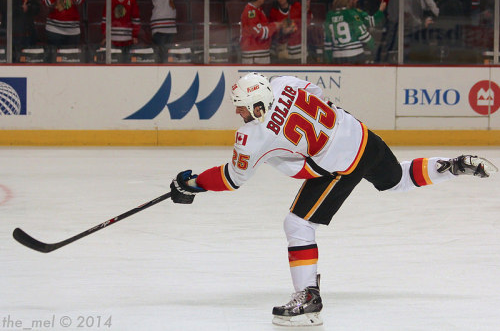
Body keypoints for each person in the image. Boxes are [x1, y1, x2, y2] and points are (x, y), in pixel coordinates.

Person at [169, 72, 497, 326]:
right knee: (397, 179)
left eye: (241, 105)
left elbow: (233, 177)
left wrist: (193, 183)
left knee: (297, 224)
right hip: (359, 134)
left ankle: (308, 298)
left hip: (340, 164)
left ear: (258, 105)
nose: (238, 111)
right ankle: (453, 166)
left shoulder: (252, 136)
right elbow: (316, 93)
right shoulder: (282, 83)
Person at [324, 0, 386, 64]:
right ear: (349, 0)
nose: (357, 0)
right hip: (355, 55)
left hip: (337, 56)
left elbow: (328, 42)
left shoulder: (329, 15)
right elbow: (363, 35)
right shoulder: (352, 13)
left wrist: (329, 61)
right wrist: (375, 50)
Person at [240, 0, 295, 64]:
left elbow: (264, 27)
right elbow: (261, 33)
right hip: (254, 55)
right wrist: (275, 26)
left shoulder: (257, 9)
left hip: (259, 53)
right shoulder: (250, 12)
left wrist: (280, 26)